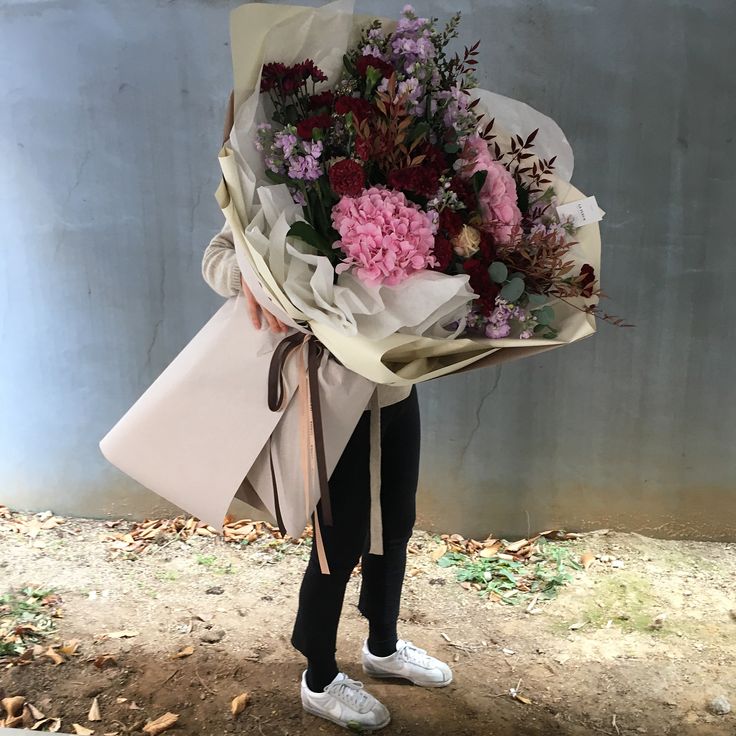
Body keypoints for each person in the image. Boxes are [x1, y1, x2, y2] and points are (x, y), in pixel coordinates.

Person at [201, 208, 453, 732]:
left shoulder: (403, 173)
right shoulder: (277, 177)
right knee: (339, 539)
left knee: (396, 523)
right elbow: (218, 256)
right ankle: (318, 676)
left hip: (394, 383)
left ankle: (382, 646)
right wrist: (258, 281)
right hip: (331, 397)